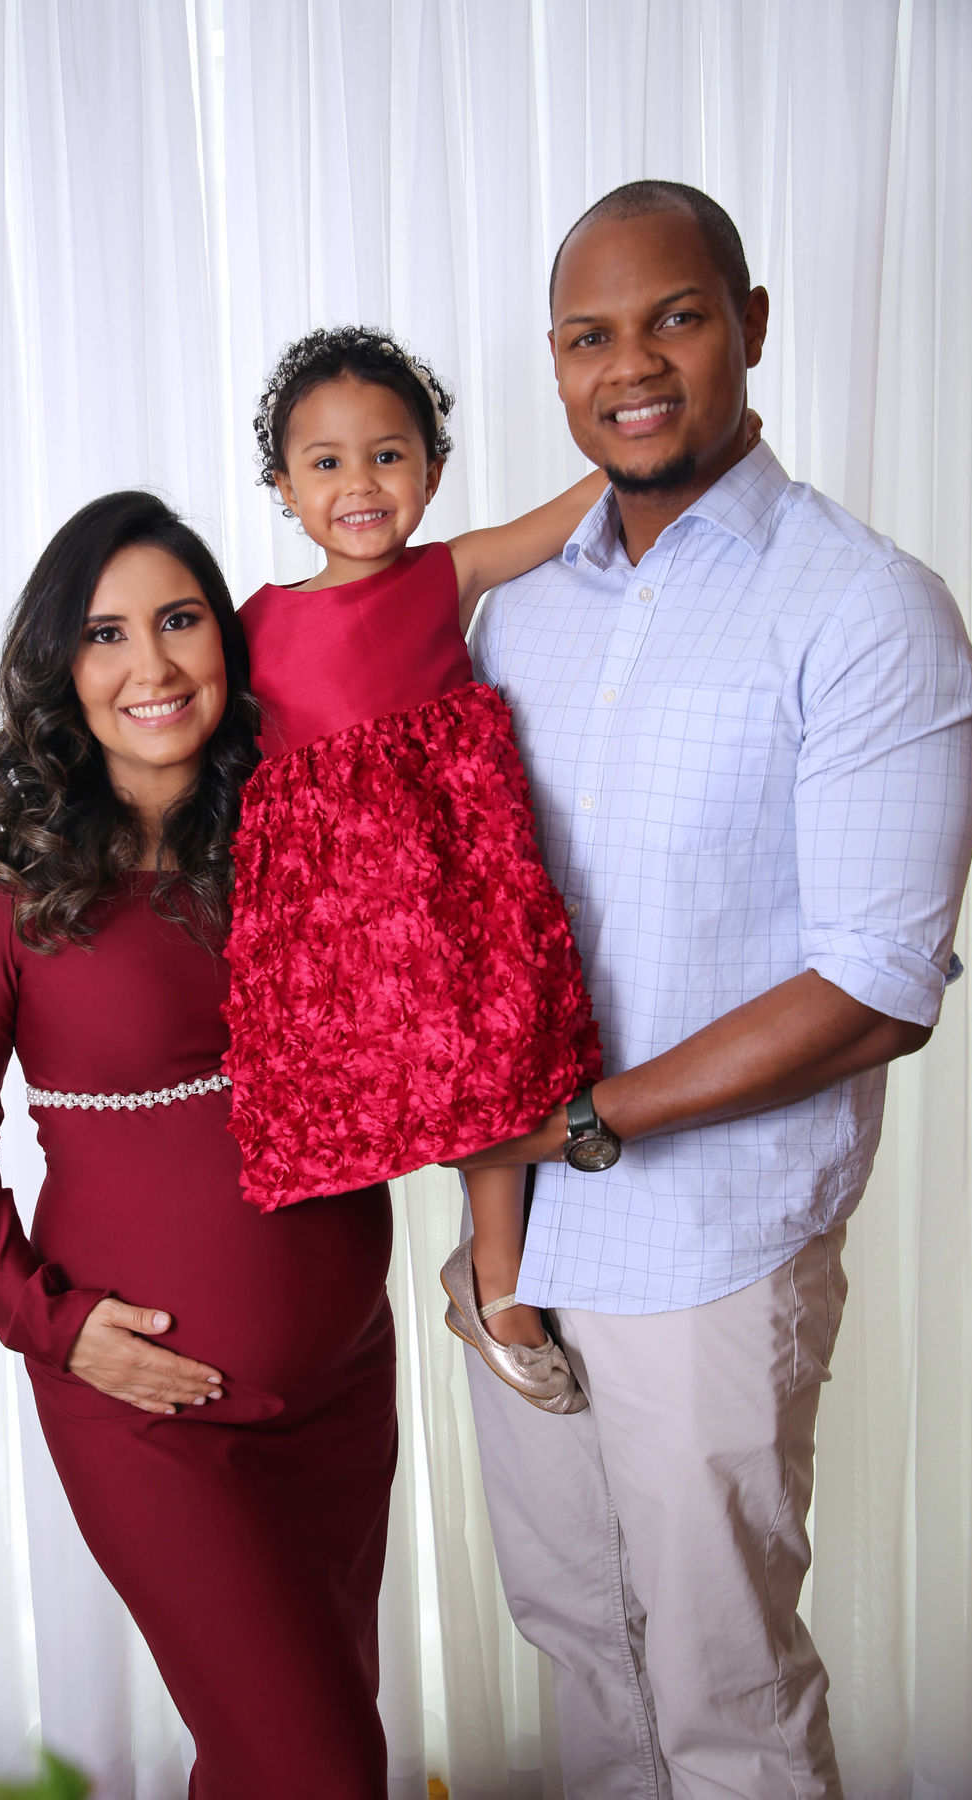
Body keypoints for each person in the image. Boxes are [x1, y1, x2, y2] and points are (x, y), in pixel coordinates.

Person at [455, 180, 972, 1796]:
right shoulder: (514, 614)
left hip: (712, 1247)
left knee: (722, 1696)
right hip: (516, 1250)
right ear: (554, 363)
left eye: (675, 318)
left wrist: (584, 1120)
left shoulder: (865, 607)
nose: (632, 366)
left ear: (750, 325)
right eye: (588, 336)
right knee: (582, 1653)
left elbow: (878, 984)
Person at [0, 492, 397, 1800]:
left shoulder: (298, 827)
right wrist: (50, 1328)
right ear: (62, 669)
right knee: (324, 1772)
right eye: (106, 634)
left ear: (224, 637)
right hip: (149, 1407)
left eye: (179, 620)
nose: (152, 665)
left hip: (346, 1381)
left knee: (274, 1754)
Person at [223, 324, 607, 1411]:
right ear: (284, 487)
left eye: (388, 455)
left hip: (456, 884)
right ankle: (308, 1316)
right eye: (326, 462)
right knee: (338, 1107)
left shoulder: (451, 571)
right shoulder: (251, 628)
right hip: (338, 916)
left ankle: (496, 1277)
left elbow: (571, 512)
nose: (360, 484)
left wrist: (707, 440)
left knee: (500, 1065)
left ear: (432, 473)